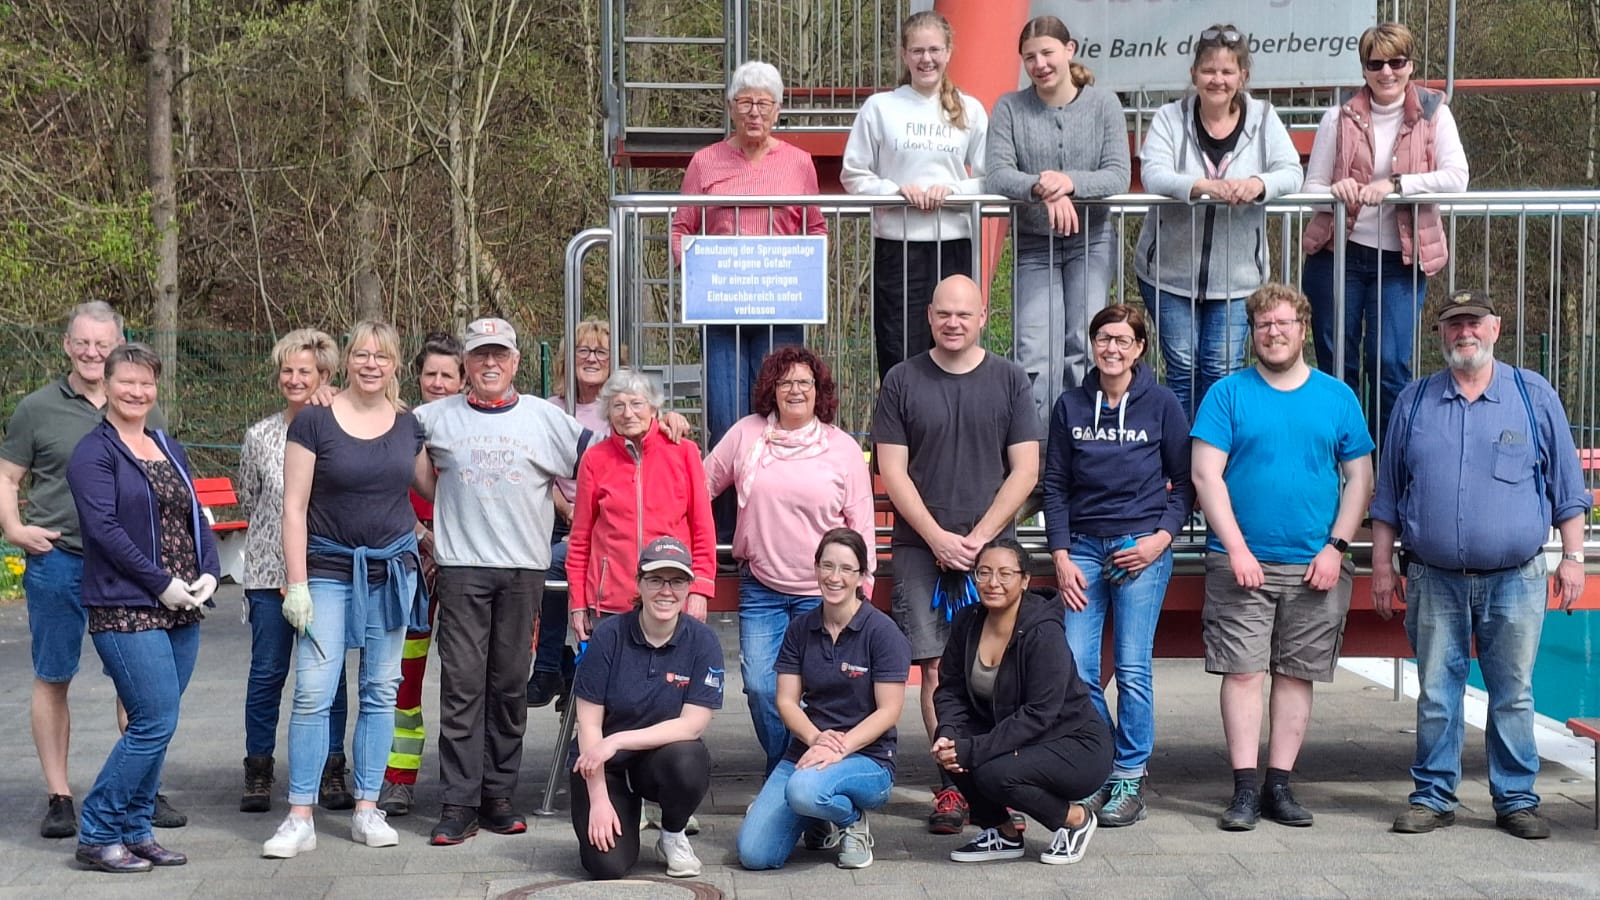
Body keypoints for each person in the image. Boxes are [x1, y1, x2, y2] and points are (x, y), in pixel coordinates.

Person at [1371, 289, 1590, 840]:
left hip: (1516, 577)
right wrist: (1379, 566)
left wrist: (1574, 558)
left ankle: (1516, 798)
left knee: (1513, 693)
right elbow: (1389, 494)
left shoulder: (1533, 395)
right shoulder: (1415, 402)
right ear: (1440, 334)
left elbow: (1567, 486)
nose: (1463, 332)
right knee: (1438, 694)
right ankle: (1433, 796)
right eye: (1452, 324)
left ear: (1495, 328)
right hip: (1432, 575)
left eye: (1473, 323)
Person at [1190, 283, 1374, 831]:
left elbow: (1359, 478)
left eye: (1284, 323)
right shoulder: (1227, 394)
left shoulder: (1336, 396)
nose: (1274, 332)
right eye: (1264, 324)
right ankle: (1244, 790)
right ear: (1253, 332)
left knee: (1296, 675)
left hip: (1316, 563)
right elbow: (1206, 474)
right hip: (1240, 562)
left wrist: (1336, 548)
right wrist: (1238, 549)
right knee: (1244, 673)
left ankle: (1279, 786)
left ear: (1302, 328)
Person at [0, 301, 182, 839]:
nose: (92, 352)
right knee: (54, 675)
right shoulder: (36, 409)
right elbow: (9, 477)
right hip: (59, 561)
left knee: (138, 686)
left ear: (119, 343)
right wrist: (13, 529)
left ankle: (139, 789)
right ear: (66, 345)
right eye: (82, 342)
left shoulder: (143, 405)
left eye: (102, 343)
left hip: (128, 569)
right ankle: (59, 796)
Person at [414, 317, 594, 846]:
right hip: (463, 567)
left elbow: (606, 458)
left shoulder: (545, 417)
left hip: (523, 570)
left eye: (499, 355)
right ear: (465, 364)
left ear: (516, 362)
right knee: (463, 686)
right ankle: (457, 803)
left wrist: (662, 426)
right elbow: (379, 435)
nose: (489, 364)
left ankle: (498, 796)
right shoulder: (433, 417)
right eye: (479, 356)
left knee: (510, 686)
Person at [872, 274, 1040, 834]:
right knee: (938, 671)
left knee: (998, 667)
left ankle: (997, 779)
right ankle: (950, 786)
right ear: (929, 316)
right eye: (944, 313)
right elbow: (891, 469)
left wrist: (981, 539)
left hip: (994, 552)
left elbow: (1026, 469)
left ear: (983, 316)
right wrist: (939, 537)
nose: (953, 323)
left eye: (964, 315)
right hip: (922, 550)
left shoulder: (1011, 380)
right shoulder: (901, 380)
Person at [262, 321, 430, 858]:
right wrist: (296, 583)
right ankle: (300, 815)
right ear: (347, 362)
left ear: (396, 365)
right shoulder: (314, 421)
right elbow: (293, 506)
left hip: (391, 574)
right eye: (362, 354)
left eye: (382, 356)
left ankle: (367, 807)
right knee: (314, 691)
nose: (371, 364)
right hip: (329, 572)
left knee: (381, 691)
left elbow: (435, 484)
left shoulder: (409, 426)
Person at [66, 343, 219, 872]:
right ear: (106, 385)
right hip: (127, 605)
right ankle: (98, 830)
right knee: (152, 719)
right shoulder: (94, 452)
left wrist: (209, 571)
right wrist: (160, 583)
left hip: (183, 605)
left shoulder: (166, 445)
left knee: (162, 719)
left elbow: (197, 513)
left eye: (146, 383)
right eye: (126, 382)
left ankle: (136, 829)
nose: (137, 392)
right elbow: (103, 530)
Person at [1042, 304, 1193, 827]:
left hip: (1140, 550)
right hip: (1082, 548)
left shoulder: (1162, 405)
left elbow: (1185, 485)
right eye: (1104, 339)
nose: (1112, 349)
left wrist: (1157, 542)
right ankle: (1101, 764)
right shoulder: (1069, 406)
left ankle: (1131, 773)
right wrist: (1060, 555)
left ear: (1140, 348)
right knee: (1078, 668)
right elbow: (1056, 486)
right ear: (1093, 344)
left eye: (1123, 340)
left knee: (1131, 668)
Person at [704, 346, 876, 775]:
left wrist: (863, 586)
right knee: (763, 689)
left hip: (826, 595)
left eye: (804, 382)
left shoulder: (842, 448)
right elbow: (699, 486)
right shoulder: (746, 434)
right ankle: (792, 768)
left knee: (822, 693)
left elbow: (861, 521)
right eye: (785, 382)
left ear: (819, 392)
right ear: (771, 390)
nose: (795, 390)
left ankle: (797, 780)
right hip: (761, 588)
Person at [1302, 21, 1470, 440]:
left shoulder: (1435, 113)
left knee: (1390, 363)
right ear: (1364, 69)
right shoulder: (1336, 117)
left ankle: (1389, 471)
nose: (1387, 72)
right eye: (1376, 63)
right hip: (1337, 255)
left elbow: (1457, 177)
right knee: (1337, 364)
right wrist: (1336, 192)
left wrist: (1396, 186)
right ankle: (1344, 465)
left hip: (1400, 260)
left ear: (1411, 65)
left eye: (1397, 61)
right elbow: (1311, 190)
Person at [1134, 24, 1304, 420]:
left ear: (1243, 76)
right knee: (1181, 370)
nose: (1218, 80)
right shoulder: (1168, 117)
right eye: (1209, 70)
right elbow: (1153, 173)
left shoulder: (1264, 117)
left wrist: (1258, 184)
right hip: (1168, 273)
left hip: (1238, 277)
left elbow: (1291, 171)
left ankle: (1214, 460)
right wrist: (1201, 186)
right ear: (1194, 74)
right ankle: (1180, 464)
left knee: (1221, 370)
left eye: (1228, 72)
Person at [670, 60, 828, 454]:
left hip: (781, 307)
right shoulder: (705, 161)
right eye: (745, 102)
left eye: (764, 103)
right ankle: (724, 517)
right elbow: (680, 228)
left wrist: (807, 278)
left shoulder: (799, 162)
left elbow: (817, 228)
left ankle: (774, 509)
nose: (754, 112)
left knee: (780, 410)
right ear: (730, 107)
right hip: (721, 309)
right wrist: (696, 275)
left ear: (777, 109)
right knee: (726, 419)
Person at [986, 14, 1131, 433]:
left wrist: (1069, 182)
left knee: (1085, 345)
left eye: (1047, 53)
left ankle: (1081, 442)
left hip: (1091, 241)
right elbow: (997, 173)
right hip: (1034, 244)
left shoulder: (1104, 104)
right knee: (1033, 353)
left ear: (1069, 51)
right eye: (1029, 57)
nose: (1040, 64)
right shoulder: (1010, 107)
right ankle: (1035, 454)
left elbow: (1117, 174)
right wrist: (1042, 187)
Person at [737, 528, 910, 871]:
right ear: (815, 568)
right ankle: (818, 818)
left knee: (803, 790)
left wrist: (839, 747)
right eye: (827, 566)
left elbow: (890, 711)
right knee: (754, 855)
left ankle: (851, 820)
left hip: (867, 757)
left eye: (847, 569)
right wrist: (816, 738)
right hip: (808, 752)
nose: (835, 577)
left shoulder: (882, 632)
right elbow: (786, 701)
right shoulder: (801, 629)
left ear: (862, 575)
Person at [932, 539, 1112, 865]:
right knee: (950, 747)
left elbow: (1040, 713)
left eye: (1005, 573)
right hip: (1019, 736)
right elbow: (950, 689)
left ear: (1025, 580)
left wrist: (973, 749)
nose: (993, 582)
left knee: (991, 771)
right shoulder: (967, 621)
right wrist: (948, 733)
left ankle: (1076, 820)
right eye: (983, 573)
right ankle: (1003, 833)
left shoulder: (1043, 631)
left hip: (1075, 743)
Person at [238, 329, 355, 814]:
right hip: (269, 572)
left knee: (331, 676)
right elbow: (250, 496)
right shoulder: (260, 434)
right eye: (287, 370)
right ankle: (259, 770)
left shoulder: (339, 426)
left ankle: (332, 769)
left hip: (326, 567)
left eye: (305, 371)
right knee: (268, 672)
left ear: (324, 376)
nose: (294, 379)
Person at [841, 9, 987, 380]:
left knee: (955, 344)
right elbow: (853, 173)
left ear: (949, 51)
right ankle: (900, 433)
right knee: (897, 347)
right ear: (904, 54)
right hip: (897, 245)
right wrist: (894, 191)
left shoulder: (970, 109)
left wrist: (952, 191)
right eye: (918, 51)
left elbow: (992, 178)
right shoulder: (880, 107)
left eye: (935, 50)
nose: (927, 59)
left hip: (953, 243)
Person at [569, 536, 725, 880]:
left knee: (690, 759)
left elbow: (692, 726)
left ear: (688, 587)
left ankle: (672, 832)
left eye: (677, 581)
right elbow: (589, 725)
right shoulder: (608, 636)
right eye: (655, 580)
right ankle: (623, 810)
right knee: (606, 866)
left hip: (658, 759)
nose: (666, 591)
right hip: (601, 764)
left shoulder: (703, 641)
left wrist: (619, 740)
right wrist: (598, 798)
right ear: (639, 583)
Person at [378, 332, 464, 816]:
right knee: (402, 681)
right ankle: (397, 779)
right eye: (429, 374)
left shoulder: (475, 426)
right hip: (408, 567)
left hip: (462, 567)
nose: (437, 382)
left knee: (464, 680)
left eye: (446, 375)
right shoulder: (396, 427)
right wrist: (421, 536)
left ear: (462, 379)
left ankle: (463, 784)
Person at [567, 369, 716, 644]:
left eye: (637, 403)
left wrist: (700, 590)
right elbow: (580, 540)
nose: (628, 413)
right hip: (611, 601)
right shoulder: (594, 459)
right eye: (618, 405)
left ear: (653, 408)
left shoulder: (683, 452)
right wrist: (578, 603)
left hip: (671, 597)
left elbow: (703, 529)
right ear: (608, 412)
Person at [529, 319, 622, 709]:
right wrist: (566, 509)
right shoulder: (553, 409)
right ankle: (551, 663)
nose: (592, 358)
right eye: (583, 351)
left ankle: (562, 665)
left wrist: (585, 520)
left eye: (601, 352)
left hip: (604, 519)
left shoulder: (621, 409)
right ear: (569, 359)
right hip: (556, 514)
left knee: (557, 564)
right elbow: (537, 469)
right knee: (537, 562)